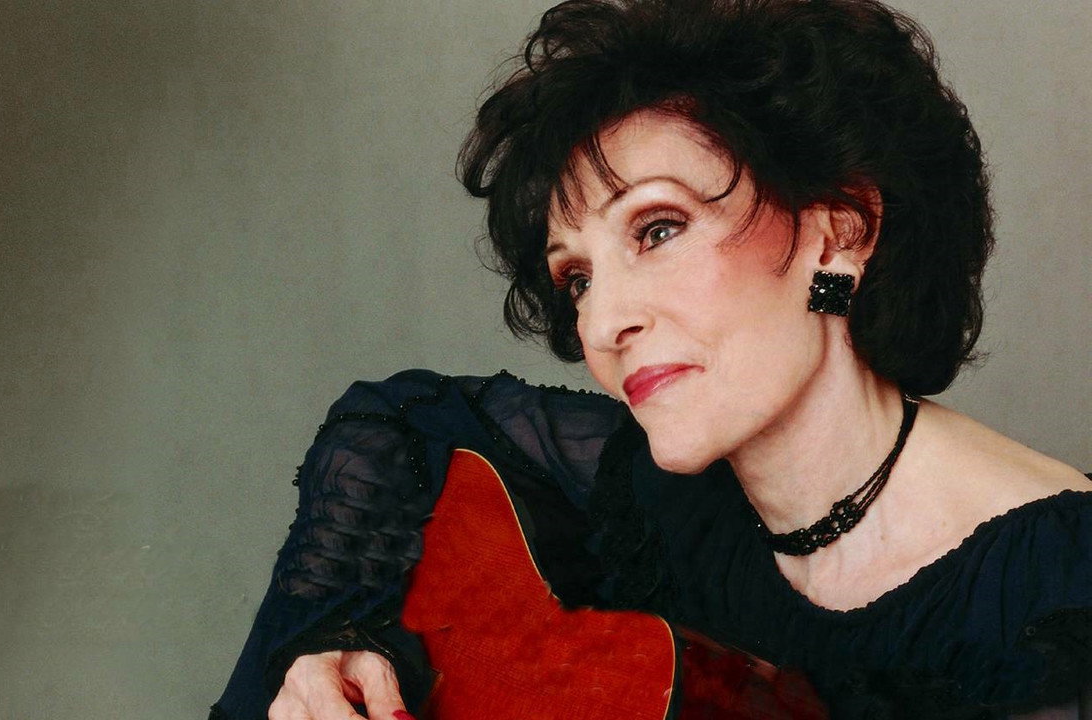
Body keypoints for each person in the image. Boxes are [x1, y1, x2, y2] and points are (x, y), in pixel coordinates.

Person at [211, 0, 1092, 717]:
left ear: (840, 232)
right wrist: (332, 643)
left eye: (658, 229)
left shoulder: (1058, 585)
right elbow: (398, 421)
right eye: (578, 278)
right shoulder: (655, 502)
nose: (603, 323)